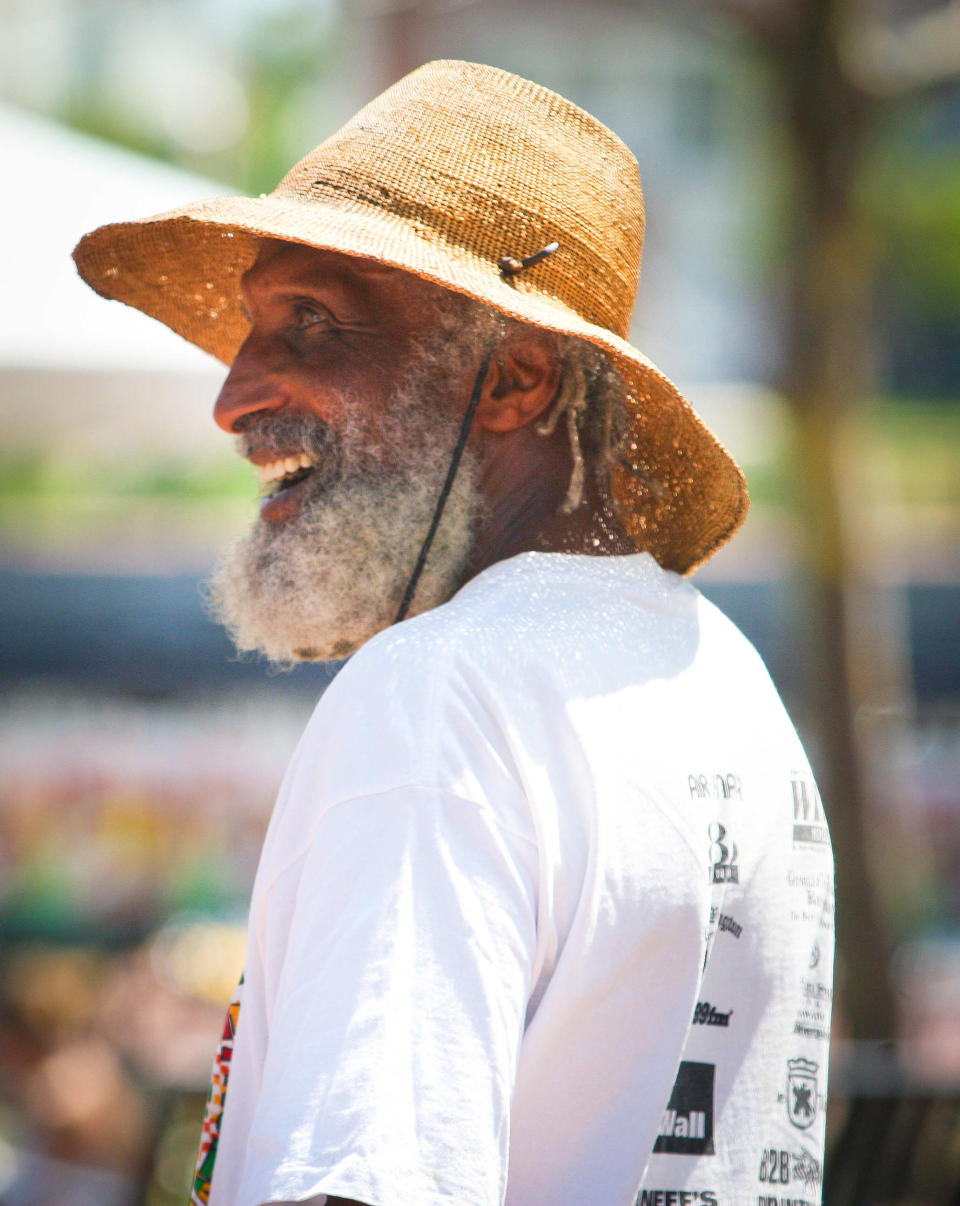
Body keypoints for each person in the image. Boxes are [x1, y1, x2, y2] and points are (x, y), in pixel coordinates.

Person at [75, 59, 834, 1206]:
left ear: (516, 381)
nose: (232, 396)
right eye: (253, 328)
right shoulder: (727, 681)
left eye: (313, 323)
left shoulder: (438, 694)